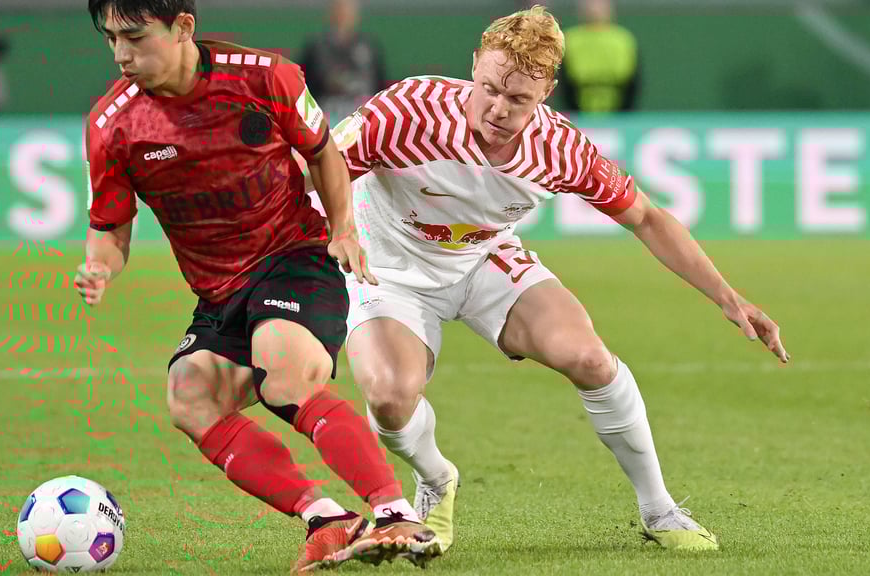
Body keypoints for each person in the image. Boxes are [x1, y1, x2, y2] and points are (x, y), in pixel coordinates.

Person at [320, 4, 788, 554]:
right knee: (390, 399)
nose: (498, 108)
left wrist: (728, 298)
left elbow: (648, 218)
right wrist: (341, 226)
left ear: (546, 91)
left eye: (518, 98)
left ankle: (660, 510)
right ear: (475, 64)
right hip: (390, 267)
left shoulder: (560, 148)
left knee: (590, 358)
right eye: (490, 87)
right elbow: (321, 159)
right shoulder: (408, 111)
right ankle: (437, 477)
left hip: (483, 260)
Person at [75, 1, 439, 572]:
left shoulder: (264, 77)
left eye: (136, 37)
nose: (122, 54)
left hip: (294, 257)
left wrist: (344, 228)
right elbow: (110, 232)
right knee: (189, 396)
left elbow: (324, 155)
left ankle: (394, 512)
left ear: (183, 27)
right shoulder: (112, 125)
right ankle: (326, 517)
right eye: (111, 39)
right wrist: (100, 266)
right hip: (220, 293)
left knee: (284, 368)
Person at [298, 0, 387, 126]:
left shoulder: (369, 48)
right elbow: (302, 88)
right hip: (327, 120)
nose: (344, 14)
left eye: (348, 10)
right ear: (331, 13)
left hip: (363, 120)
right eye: (340, 9)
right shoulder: (316, 49)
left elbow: (381, 88)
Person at [559, 0, 639, 113]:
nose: (594, 8)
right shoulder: (569, 39)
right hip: (579, 113)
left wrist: (624, 116)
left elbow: (632, 82)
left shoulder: (623, 40)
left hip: (619, 114)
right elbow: (564, 82)